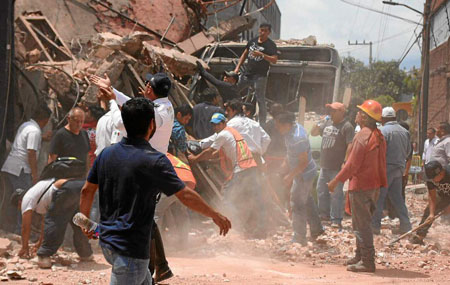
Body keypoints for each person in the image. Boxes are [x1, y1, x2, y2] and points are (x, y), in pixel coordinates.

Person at [80, 98, 231, 285]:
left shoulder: (106, 154)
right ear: (152, 125)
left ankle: (160, 269)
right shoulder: (154, 160)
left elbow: (87, 191)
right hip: (131, 248)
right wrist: (213, 214)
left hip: (108, 242)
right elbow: (184, 194)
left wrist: (85, 222)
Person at [328, 99, 387, 273]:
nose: (357, 114)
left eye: (360, 112)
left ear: (366, 118)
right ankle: (360, 255)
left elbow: (352, 165)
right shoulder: (378, 135)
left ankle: (367, 261)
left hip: (362, 185)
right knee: (362, 222)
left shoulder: (362, 135)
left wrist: (335, 181)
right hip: (374, 186)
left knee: (361, 225)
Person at [188, 113, 265, 238]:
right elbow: (218, 150)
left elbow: (210, 151)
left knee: (228, 199)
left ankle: (234, 228)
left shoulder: (223, 134)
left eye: (218, 124)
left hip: (241, 170)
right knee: (254, 199)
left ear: (224, 123)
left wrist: (195, 159)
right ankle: (259, 229)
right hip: (251, 168)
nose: (216, 127)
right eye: (213, 125)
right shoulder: (232, 132)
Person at [90, 72, 174, 154]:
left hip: (146, 161)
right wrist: (111, 89)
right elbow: (131, 104)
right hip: (151, 158)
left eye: (146, 84)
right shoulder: (166, 105)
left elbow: (120, 123)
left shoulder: (157, 111)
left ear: (149, 89)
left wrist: (112, 101)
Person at [1, 104, 52, 233]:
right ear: (45, 119)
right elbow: (31, 153)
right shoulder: (34, 131)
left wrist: (43, 138)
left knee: (12, 199)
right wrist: (35, 175)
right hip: (20, 169)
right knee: (24, 199)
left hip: (11, 167)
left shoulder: (27, 126)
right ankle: (19, 230)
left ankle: (9, 227)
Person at [275, 112, 324, 245]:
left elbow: (303, 162)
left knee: (297, 203)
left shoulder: (298, 138)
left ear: (287, 125)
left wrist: (290, 176)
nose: (278, 130)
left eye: (279, 126)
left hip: (304, 174)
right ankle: (317, 229)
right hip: (301, 172)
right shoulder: (290, 132)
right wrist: (284, 166)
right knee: (306, 199)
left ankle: (299, 237)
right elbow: (291, 153)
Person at [310, 102, 354, 228]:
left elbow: (350, 145)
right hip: (324, 165)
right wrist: (320, 121)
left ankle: (336, 219)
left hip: (337, 166)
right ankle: (324, 216)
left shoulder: (347, 126)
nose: (331, 113)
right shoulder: (327, 123)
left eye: (334, 111)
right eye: (330, 111)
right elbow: (313, 132)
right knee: (321, 191)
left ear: (341, 112)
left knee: (336, 194)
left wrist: (345, 162)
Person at [371, 107, 412, 235]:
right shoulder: (405, 132)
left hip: (386, 168)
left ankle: (374, 227)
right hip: (399, 168)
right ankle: (406, 225)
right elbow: (408, 152)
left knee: (379, 198)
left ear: (383, 119)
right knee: (397, 198)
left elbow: (379, 152)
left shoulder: (382, 131)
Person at [234, 23, 278, 126]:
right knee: (235, 90)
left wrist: (262, 55)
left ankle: (262, 124)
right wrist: (237, 68)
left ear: (269, 32)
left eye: (265, 31)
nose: (262, 33)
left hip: (260, 76)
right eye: (261, 30)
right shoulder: (252, 41)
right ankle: (235, 113)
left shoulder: (270, 45)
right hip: (248, 73)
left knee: (260, 98)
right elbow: (244, 54)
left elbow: (274, 60)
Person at [410, 161, 450, 244]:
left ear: (441, 173)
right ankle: (420, 236)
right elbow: (432, 196)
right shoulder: (430, 179)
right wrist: (432, 213)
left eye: (433, 178)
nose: (432, 180)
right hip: (444, 195)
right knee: (429, 212)